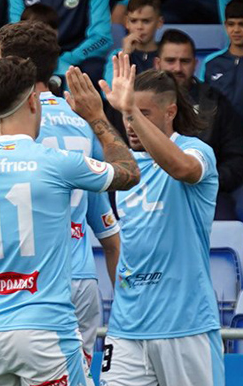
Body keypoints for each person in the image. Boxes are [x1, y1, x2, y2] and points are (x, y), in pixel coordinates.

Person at [0, 54, 138, 386]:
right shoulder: (57, 162)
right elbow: (129, 173)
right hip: (45, 330)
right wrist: (96, 117)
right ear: (34, 102)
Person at [0, 21, 122, 381]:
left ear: (16, 66)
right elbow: (103, 220)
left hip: (30, 283)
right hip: (81, 278)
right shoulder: (81, 120)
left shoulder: (13, 123)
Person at [99, 65, 224, 386]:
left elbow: (183, 169)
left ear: (170, 112)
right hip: (127, 326)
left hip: (185, 325)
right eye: (128, 115)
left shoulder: (196, 151)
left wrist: (128, 110)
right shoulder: (124, 165)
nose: (131, 124)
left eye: (143, 113)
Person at [154, 29, 243, 214]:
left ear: (195, 64)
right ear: (157, 63)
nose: (177, 68)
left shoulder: (216, 103)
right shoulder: (139, 103)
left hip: (206, 192)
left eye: (184, 61)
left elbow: (236, 157)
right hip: (151, 190)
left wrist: (210, 180)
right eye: (170, 61)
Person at [10, 0, 113, 89]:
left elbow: (102, 38)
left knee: (94, 69)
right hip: (34, 56)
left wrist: (66, 60)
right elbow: (18, 35)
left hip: (76, 57)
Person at [103, 0, 163, 88]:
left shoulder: (166, 55)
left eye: (146, 21)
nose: (139, 27)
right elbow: (110, 89)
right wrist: (125, 55)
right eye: (134, 21)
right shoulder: (117, 56)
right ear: (127, 22)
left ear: (159, 22)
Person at [203, 0, 243, 120]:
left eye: (241, 24)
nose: (236, 30)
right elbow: (203, 99)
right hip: (221, 135)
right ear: (225, 25)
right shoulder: (210, 62)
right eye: (231, 24)